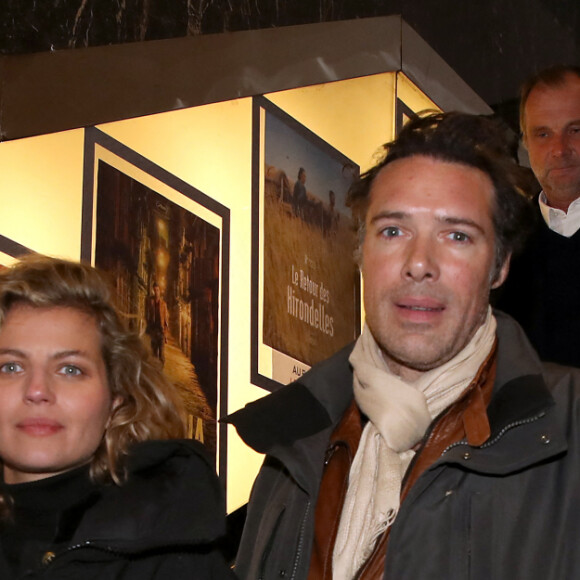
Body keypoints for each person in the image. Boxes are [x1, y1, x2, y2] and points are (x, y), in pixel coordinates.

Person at [227, 112, 580, 580]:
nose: (419, 263)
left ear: (499, 268)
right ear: (361, 253)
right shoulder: (295, 447)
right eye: (393, 231)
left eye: (457, 236)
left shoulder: (567, 430)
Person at [0, 255, 234, 579]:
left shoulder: (180, 566)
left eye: (70, 369)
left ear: (115, 402)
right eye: (11, 366)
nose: (38, 390)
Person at [494, 65, 580, 366]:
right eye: (543, 134)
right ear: (525, 143)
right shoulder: (500, 243)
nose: (560, 149)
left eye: (575, 129)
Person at [145, 281, 169, 366]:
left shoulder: (163, 304)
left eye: (157, 290)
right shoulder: (149, 302)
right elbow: (147, 315)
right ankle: (156, 371)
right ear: (153, 291)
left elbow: (166, 320)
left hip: (161, 332)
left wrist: (166, 335)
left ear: (160, 291)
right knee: (154, 354)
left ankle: (160, 371)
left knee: (161, 355)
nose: (156, 292)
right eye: (155, 290)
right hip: (153, 331)